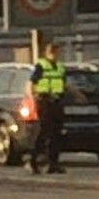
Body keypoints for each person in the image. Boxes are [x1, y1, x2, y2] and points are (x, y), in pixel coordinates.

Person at [29, 42, 67, 175]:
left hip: (57, 102)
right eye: (53, 52)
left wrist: (78, 95)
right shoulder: (41, 66)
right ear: (47, 53)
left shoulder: (60, 68)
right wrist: (34, 98)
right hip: (45, 101)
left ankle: (54, 164)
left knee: (57, 134)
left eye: (57, 52)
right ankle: (33, 161)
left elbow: (64, 84)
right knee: (44, 132)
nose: (55, 55)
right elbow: (31, 83)